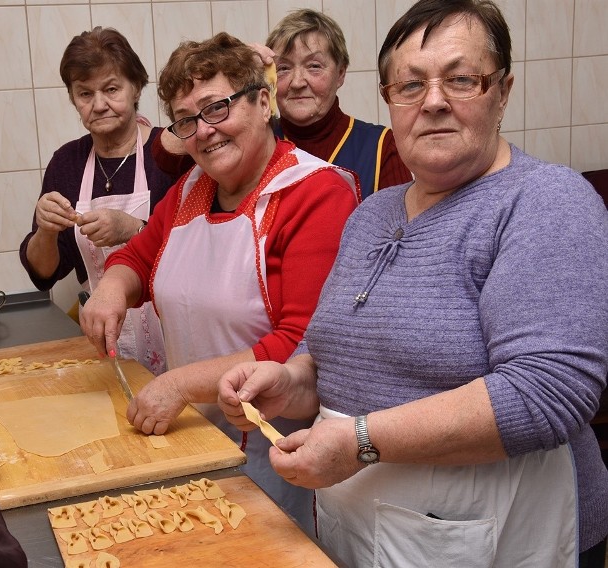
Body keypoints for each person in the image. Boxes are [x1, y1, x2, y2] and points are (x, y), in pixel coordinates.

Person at [217, 1, 608, 566]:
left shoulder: (546, 202)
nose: (433, 101)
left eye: (461, 79)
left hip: (496, 533)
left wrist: (362, 442)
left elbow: (545, 392)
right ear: (389, 99)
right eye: (410, 84)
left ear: (503, 91)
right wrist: (288, 381)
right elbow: (330, 358)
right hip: (357, 523)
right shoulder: (371, 214)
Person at [80, 32, 358, 533]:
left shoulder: (314, 193)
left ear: (262, 101)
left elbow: (302, 343)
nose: (204, 132)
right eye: (187, 120)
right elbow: (139, 259)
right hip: (194, 440)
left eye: (217, 108)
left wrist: (182, 385)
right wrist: (111, 289)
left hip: (278, 451)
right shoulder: (193, 188)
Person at [20, 27, 175, 375]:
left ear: (136, 87)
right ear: (73, 99)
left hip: (178, 342)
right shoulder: (67, 163)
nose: (99, 104)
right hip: (105, 346)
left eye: (111, 89)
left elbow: (202, 249)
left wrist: (135, 229)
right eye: (85, 93)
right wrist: (45, 231)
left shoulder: (169, 151)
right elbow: (43, 274)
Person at [152, 9, 413, 202]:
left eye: (314, 66)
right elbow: (164, 157)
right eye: (284, 68)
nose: (298, 82)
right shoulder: (252, 137)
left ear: (341, 73)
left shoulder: (380, 146)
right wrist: (241, 75)